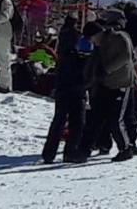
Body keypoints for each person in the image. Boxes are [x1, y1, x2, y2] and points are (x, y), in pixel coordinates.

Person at [81, 21, 137, 162]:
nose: (92, 42)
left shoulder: (119, 38)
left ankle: (126, 148)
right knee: (99, 117)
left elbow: (126, 57)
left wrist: (107, 69)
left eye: (92, 38)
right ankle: (92, 146)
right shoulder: (101, 45)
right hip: (106, 85)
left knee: (116, 119)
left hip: (121, 83)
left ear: (97, 34)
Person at [42, 15, 89, 164]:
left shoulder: (62, 43)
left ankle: (49, 153)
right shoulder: (79, 43)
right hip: (77, 88)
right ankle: (70, 151)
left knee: (59, 120)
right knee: (77, 122)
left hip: (62, 86)